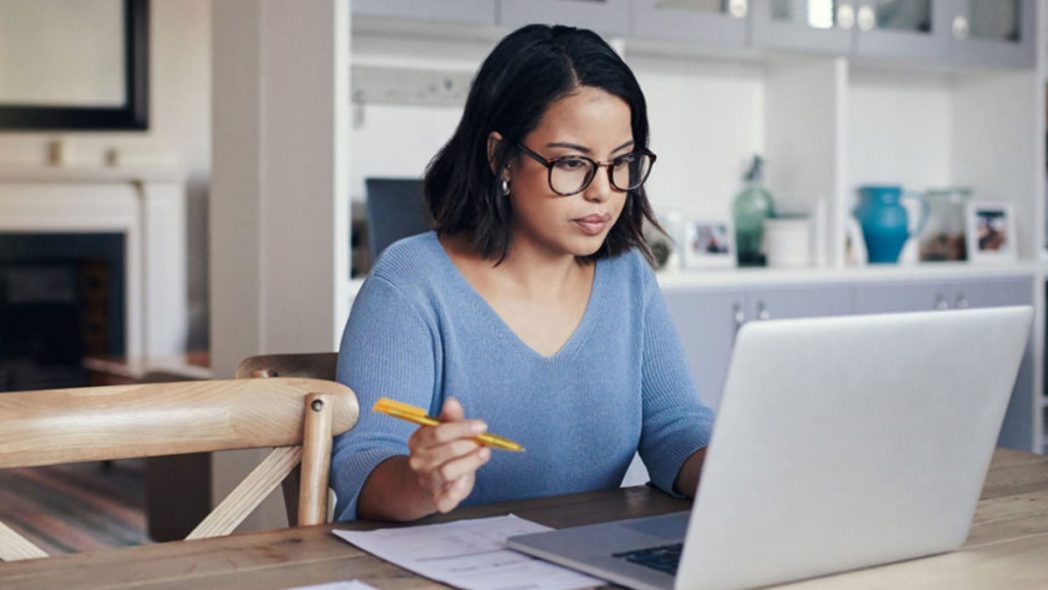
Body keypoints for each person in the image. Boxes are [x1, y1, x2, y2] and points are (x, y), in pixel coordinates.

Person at [331, 24, 714, 522]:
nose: (603, 191)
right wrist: (421, 481)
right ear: (502, 157)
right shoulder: (412, 282)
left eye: (622, 162)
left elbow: (674, 426)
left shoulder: (628, 278)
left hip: (584, 562)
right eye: (573, 163)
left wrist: (737, 472)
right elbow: (364, 466)